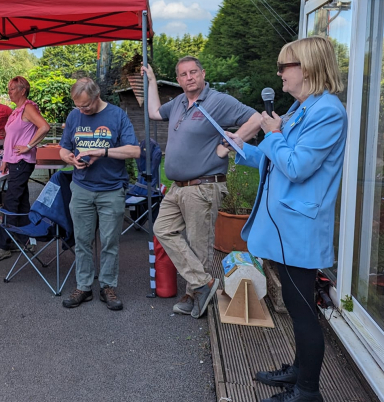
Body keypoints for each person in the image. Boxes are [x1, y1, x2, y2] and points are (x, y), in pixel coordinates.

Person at [224, 37, 346, 402]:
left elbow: (295, 166)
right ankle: (299, 370)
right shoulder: (300, 109)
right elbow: (274, 157)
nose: (279, 74)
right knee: (295, 307)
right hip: (284, 229)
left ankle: (307, 390)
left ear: (306, 68)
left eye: (284, 67)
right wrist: (242, 148)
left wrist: (273, 134)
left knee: (303, 310)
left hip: (299, 230)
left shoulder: (327, 111)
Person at [143, 56, 261, 319]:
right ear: (178, 80)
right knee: (163, 229)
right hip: (177, 187)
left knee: (198, 245)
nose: (189, 77)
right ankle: (203, 284)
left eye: (193, 72)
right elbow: (153, 112)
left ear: (203, 73)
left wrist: (232, 142)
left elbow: (255, 118)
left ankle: (193, 295)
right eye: (183, 74)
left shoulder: (218, 101)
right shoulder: (178, 103)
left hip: (203, 185)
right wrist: (151, 81)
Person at [58, 78, 140, 310]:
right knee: (82, 241)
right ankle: (83, 287)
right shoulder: (74, 116)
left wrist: (102, 151)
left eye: (86, 106)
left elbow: (134, 150)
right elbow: (64, 148)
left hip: (111, 190)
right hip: (82, 188)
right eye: (78, 106)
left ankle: (107, 286)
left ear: (97, 96)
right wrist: (69, 158)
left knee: (109, 242)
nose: (82, 110)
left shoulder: (117, 115)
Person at [0, 76, 50, 262]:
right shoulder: (17, 110)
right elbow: (11, 139)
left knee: (11, 202)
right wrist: (6, 158)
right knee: (20, 201)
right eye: (9, 88)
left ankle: (4, 246)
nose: (9, 92)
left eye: (12, 88)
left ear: (23, 90)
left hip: (22, 162)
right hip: (15, 161)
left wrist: (28, 146)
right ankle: (24, 239)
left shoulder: (28, 107)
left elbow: (44, 127)